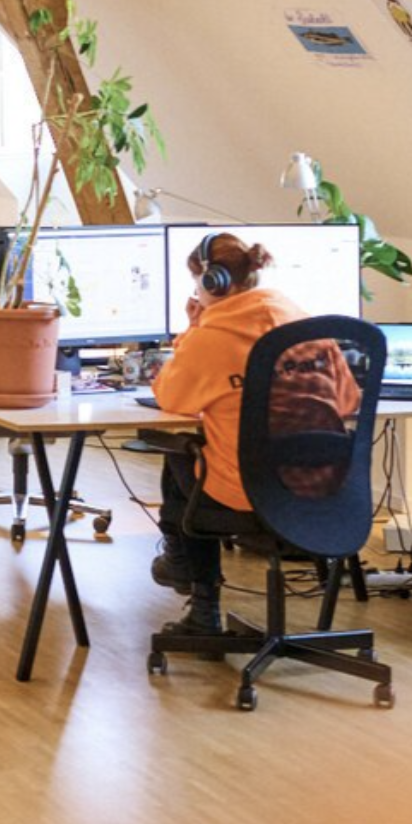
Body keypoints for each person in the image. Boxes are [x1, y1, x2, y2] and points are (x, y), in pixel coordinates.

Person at [149, 232, 359, 634]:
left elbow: (171, 398)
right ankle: (182, 568)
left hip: (247, 492)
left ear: (212, 282)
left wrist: (192, 330)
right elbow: (347, 402)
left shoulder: (212, 337)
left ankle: (200, 600)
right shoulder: (307, 324)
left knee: (180, 450)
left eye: (197, 285)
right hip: (322, 490)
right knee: (192, 454)